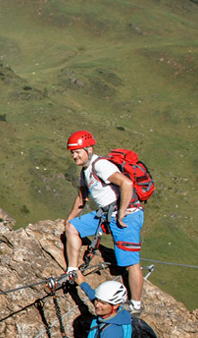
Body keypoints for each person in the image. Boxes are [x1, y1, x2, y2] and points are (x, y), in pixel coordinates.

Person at [62, 130, 144, 316]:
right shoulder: (86, 171)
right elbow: (81, 199)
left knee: (130, 263)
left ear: (89, 149)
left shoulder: (101, 166)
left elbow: (127, 184)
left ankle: (136, 305)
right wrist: (69, 221)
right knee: (72, 228)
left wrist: (122, 212)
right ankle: (72, 270)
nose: (74, 155)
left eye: (77, 151)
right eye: (72, 152)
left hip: (127, 215)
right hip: (107, 215)